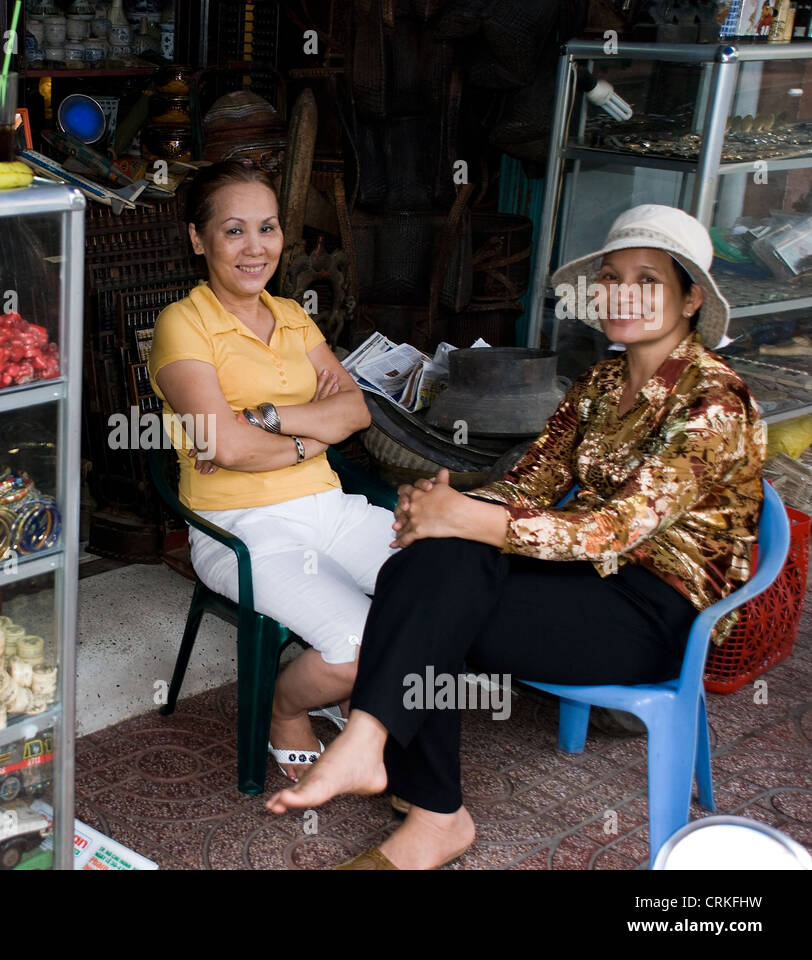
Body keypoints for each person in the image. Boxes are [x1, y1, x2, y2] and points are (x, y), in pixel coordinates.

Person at [265, 204, 766, 869]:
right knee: (429, 562)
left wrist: (465, 519)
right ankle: (413, 787)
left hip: (659, 613)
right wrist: (444, 509)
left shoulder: (714, 402)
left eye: (647, 279)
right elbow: (527, 485)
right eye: (612, 277)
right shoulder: (604, 382)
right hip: (586, 576)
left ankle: (398, 772)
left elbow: (609, 532)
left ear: (691, 296)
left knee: (439, 599)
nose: (622, 293)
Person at [148, 160, 398, 780]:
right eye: (234, 231)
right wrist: (309, 435)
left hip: (330, 508)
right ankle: (285, 706)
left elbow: (356, 408)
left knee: (439, 590)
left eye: (268, 228)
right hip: (243, 528)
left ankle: (339, 695)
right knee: (366, 649)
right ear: (198, 240)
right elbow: (226, 450)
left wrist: (263, 417)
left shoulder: (293, 313)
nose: (255, 248)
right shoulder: (183, 325)